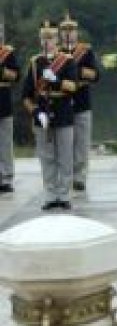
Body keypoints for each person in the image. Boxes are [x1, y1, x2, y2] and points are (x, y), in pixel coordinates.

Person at [23, 20, 77, 210]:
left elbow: (73, 87)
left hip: (63, 113)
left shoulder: (68, 61)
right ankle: (50, 195)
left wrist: (56, 80)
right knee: (46, 158)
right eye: (44, 38)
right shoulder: (35, 63)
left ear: (57, 39)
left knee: (65, 157)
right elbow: (26, 96)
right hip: (43, 115)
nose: (48, 42)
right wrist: (36, 112)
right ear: (40, 40)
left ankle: (64, 195)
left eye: (51, 37)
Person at [59, 13, 101, 192]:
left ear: (76, 32)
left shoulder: (86, 51)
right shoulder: (56, 53)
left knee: (82, 143)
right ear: (60, 33)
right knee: (64, 144)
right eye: (65, 30)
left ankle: (79, 177)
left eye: (72, 30)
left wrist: (79, 71)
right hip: (62, 103)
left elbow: (96, 75)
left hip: (82, 101)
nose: (68, 33)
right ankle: (66, 176)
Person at [0, 19, 19, 193]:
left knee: (5, 142)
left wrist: (2, 71)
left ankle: (6, 178)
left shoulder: (7, 53)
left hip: (3, 101)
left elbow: (16, 75)